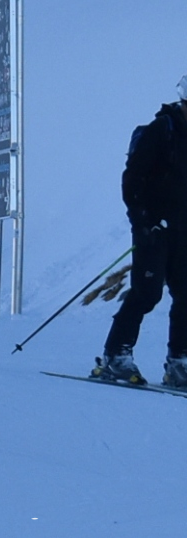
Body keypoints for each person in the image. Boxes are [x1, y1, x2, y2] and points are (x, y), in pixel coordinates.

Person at [96, 76, 187, 388]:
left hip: (182, 229)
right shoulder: (162, 130)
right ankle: (116, 355)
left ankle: (179, 362)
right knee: (147, 293)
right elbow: (133, 178)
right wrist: (143, 221)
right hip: (154, 228)